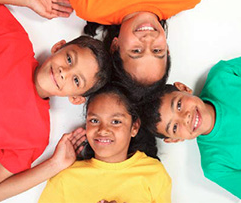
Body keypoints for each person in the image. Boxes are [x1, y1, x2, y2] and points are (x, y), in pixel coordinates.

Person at [0, 0, 111, 202]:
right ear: (58, 47)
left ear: (76, 98)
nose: (64, 72)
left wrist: (55, 164)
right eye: (69, 59)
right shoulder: (13, 39)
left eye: (76, 80)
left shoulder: (35, 134)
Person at [140, 52, 241, 201]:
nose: (185, 117)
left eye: (179, 105)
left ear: (183, 88)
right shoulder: (215, 166)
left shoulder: (223, 74)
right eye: (174, 127)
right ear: (174, 139)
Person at [38, 85, 172, 203]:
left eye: (115, 122)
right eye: (94, 120)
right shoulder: (65, 178)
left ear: (134, 127)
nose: (103, 130)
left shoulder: (154, 173)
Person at [66, 0, 204, 101]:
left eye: (136, 51)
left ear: (115, 46)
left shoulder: (90, 6)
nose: (148, 39)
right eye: (157, 50)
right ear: (166, 48)